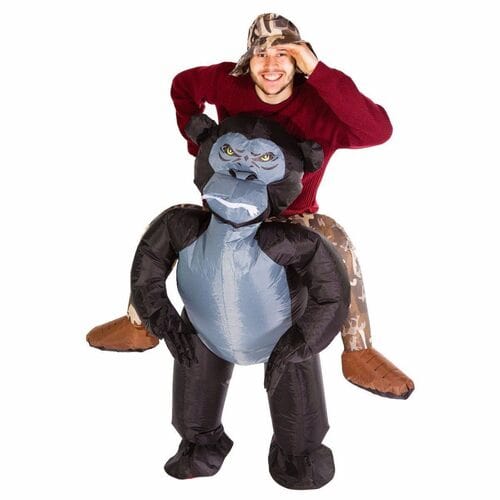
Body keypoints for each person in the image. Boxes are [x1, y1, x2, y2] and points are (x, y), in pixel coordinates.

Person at [87, 13, 414, 398]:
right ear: (249, 59)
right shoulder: (229, 83)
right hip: (226, 208)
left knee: (336, 239)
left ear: (299, 59)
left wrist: (320, 72)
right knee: (167, 226)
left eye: (284, 54)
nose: (271, 65)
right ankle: (139, 323)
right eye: (261, 54)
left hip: (291, 216)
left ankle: (358, 349)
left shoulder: (320, 105)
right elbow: (183, 86)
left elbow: (378, 130)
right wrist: (201, 146)